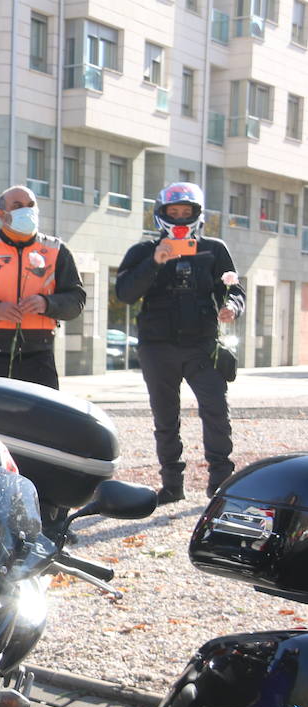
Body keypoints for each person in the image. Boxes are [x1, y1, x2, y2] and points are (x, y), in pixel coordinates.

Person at [115, 182, 245, 504]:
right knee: (165, 417)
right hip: (157, 347)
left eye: (186, 212)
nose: (180, 217)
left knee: (216, 412)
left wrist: (232, 307)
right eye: (173, 212)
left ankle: (220, 483)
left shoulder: (214, 249)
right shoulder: (142, 251)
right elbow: (125, 293)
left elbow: (234, 289)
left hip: (202, 345)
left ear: (197, 214)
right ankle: (172, 484)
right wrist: (154, 262)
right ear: (161, 214)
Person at [0, 185, 86, 389]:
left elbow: (76, 301)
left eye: (31, 205)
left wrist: (47, 303)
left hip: (39, 353)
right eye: (18, 206)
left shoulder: (57, 251)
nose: (26, 211)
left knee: (40, 419)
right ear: (2, 215)